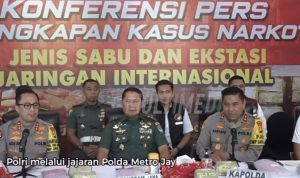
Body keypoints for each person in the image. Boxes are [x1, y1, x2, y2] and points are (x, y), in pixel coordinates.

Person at [97, 87, 170, 161]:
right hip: (118, 169)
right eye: (127, 101)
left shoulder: (153, 124)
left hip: (147, 169)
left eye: (135, 101)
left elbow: (164, 150)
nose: (131, 105)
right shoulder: (111, 125)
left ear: (141, 103)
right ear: (122, 103)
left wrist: (162, 167)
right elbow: (102, 152)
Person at [196, 87, 264, 162]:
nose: (230, 109)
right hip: (214, 168)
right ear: (222, 104)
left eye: (235, 104)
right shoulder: (211, 120)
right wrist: (209, 155)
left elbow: (255, 154)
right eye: (226, 104)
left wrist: (231, 155)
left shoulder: (256, 124)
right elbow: (200, 147)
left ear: (243, 103)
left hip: (242, 170)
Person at [0, 85, 59, 162]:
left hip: (40, 172)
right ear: (17, 108)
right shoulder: (4, 129)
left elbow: (53, 157)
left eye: (35, 105)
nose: (32, 109)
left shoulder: (50, 129)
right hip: (13, 172)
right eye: (27, 105)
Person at [144, 80, 193, 158]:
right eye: (161, 92)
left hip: (178, 152)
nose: (164, 95)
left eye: (167, 92)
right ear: (157, 94)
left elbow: (187, 133)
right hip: (156, 153)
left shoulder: (180, 109)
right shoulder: (149, 110)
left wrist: (177, 149)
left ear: (172, 93)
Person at [67, 79, 111, 159]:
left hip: (103, 149)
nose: (93, 92)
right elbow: (70, 134)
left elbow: (112, 133)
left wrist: (101, 149)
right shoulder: (76, 110)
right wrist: (84, 148)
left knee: (116, 159)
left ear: (99, 90)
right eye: (89, 89)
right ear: (83, 91)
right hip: (82, 149)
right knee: (73, 159)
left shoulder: (107, 109)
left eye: (96, 89)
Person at [228, 75, 267, 139]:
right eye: (235, 87)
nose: (239, 89)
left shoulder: (253, 104)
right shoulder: (220, 105)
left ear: (244, 88)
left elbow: (262, 127)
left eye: (241, 86)